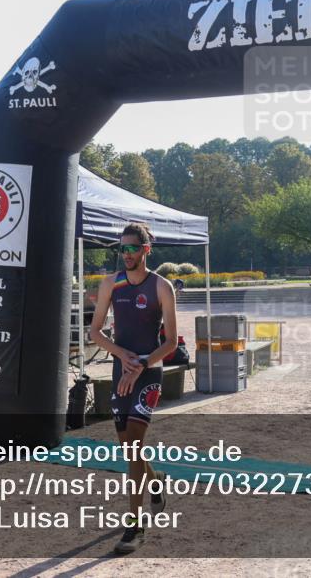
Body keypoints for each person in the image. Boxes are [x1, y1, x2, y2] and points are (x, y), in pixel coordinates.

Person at [88, 222, 177, 554]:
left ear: (146, 250)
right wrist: (121, 355)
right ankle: (155, 481)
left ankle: (135, 527)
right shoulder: (111, 284)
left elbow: (169, 342)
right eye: (121, 249)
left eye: (132, 248)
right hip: (120, 369)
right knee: (129, 449)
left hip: (149, 370)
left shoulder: (162, 287)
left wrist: (140, 363)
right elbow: (95, 333)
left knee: (135, 443)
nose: (126, 254)